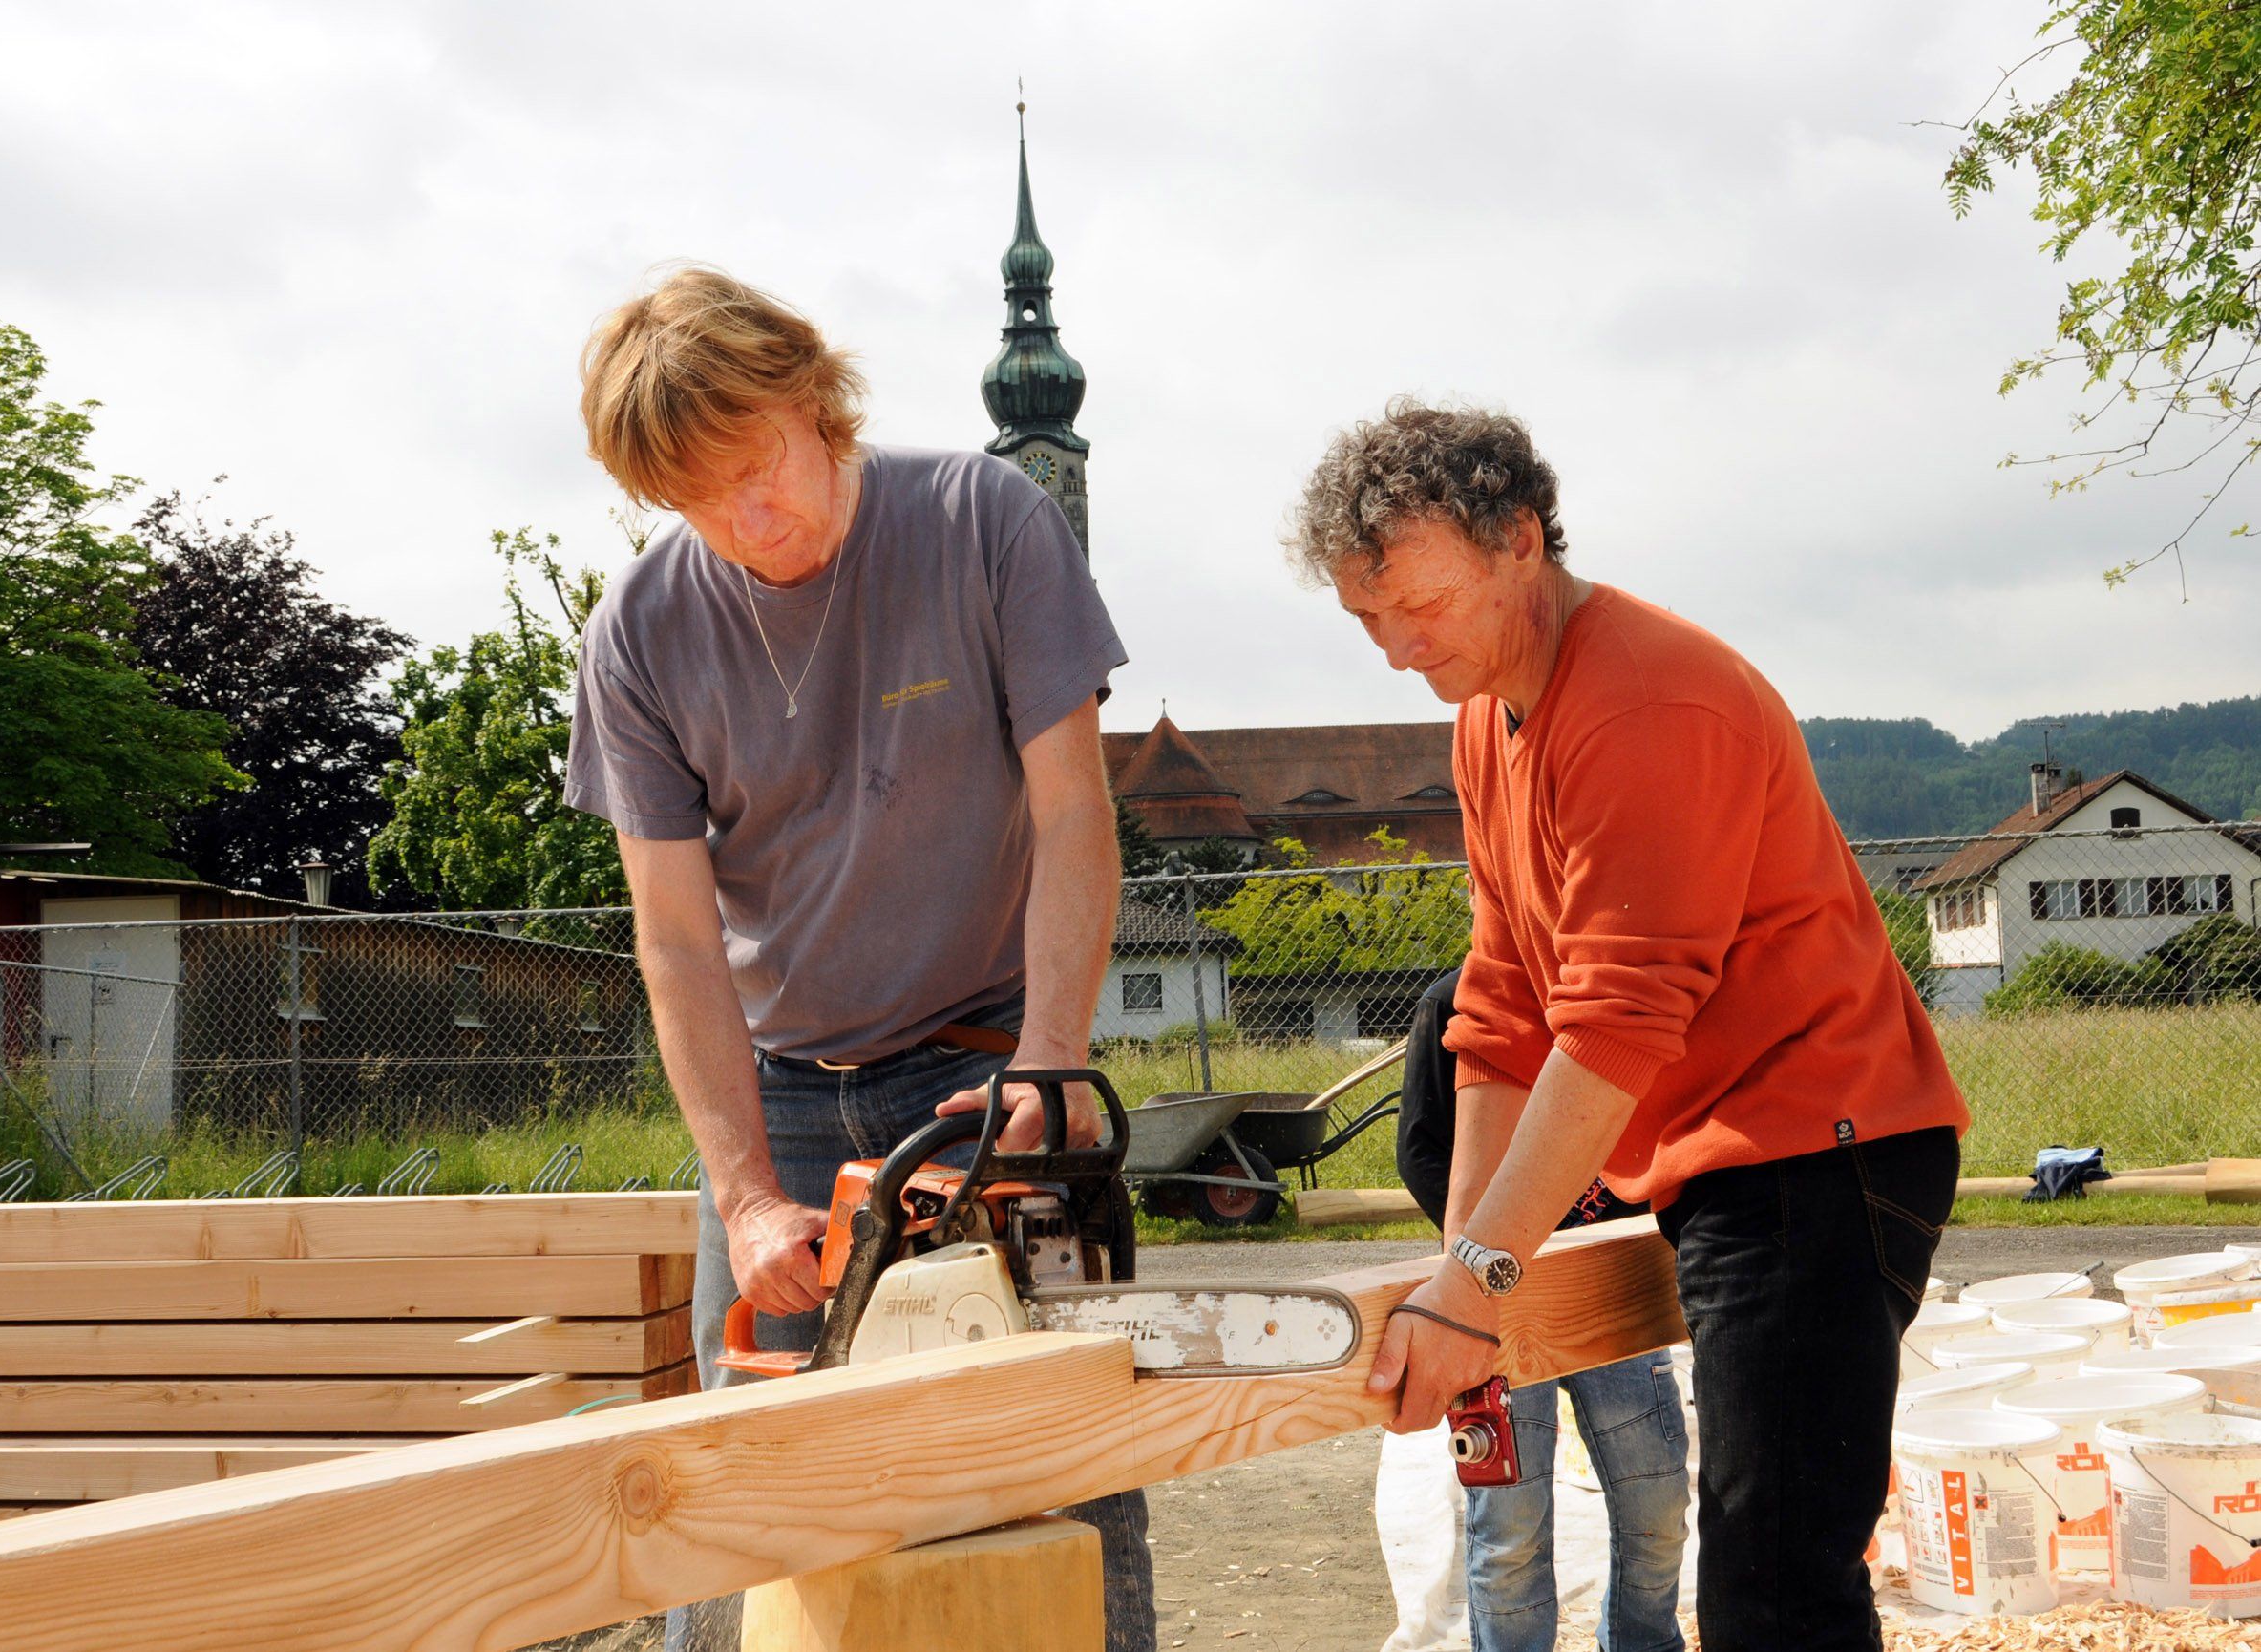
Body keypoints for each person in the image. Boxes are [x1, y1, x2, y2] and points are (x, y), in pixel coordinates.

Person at [1289, 400, 1967, 1652]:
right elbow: (1503, 1006)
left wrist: (1478, 1280)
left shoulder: (1643, 701)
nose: (1396, 647)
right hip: (1727, 1156)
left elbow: (1612, 1027)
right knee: (1766, 1573)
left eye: (1420, 604)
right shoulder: (1485, 716)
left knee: (1775, 1588)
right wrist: (1461, 1268)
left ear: (1519, 539)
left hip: (1816, 1149)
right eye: (1365, 618)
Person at [564, 267, 1153, 1652]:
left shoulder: (981, 521)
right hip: (778, 1090)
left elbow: (1074, 815)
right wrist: (744, 1194)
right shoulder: (640, 633)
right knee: (735, 1484)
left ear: (813, 398)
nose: (746, 520)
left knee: (1069, 1460)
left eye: (757, 467)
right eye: (697, 500)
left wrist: (1050, 1061)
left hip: (984, 1065)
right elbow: (676, 938)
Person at [1388, 971, 1688, 1652]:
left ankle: (1643, 1641)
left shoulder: (1622, 992)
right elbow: (1421, 1151)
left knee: (1657, 1500)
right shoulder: (1455, 1003)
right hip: (1499, 1295)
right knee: (1510, 1530)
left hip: (1607, 1284)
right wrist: (1495, 1255)